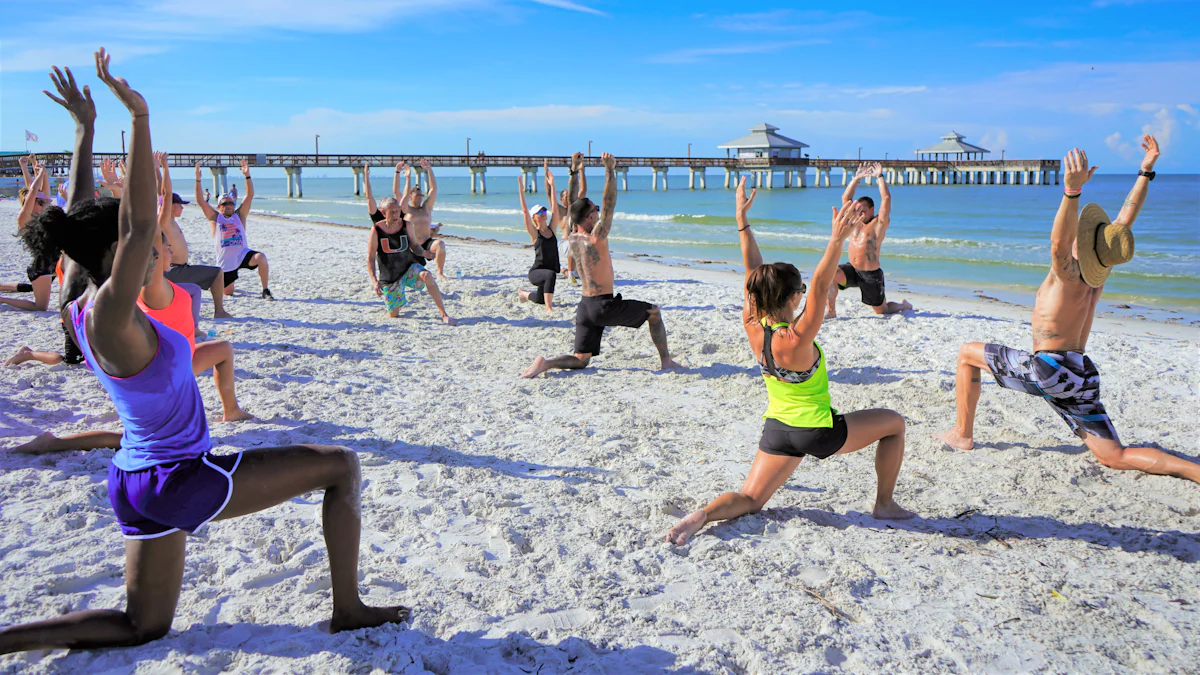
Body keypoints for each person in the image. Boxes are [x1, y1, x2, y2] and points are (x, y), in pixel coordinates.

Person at [0, 49, 406, 656]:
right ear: (117, 253)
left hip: (136, 477)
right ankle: (347, 609)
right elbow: (136, 225)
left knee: (143, 627)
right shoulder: (111, 310)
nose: (156, 242)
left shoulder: (79, 293)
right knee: (339, 466)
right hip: (178, 475)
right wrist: (138, 118)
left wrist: (84, 131)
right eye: (143, 242)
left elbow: (89, 216)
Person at [666, 179, 915, 546]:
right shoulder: (797, 337)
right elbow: (820, 285)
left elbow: (757, 275)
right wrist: (835, 241)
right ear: (792, 298)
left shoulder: (753, 325)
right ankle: (884, 504)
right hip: (817, 431)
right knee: (894, 424)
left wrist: (741, 220)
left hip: (777, 430)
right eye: (799, 291)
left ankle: (704, 514)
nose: (803, 294)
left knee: (751, 499)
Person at [936, 140, 1200, 484]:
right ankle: (1193, 471)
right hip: (1082, 374)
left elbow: (1058, 243)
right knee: (1114, 456)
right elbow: (1124, 220)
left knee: (967, 354)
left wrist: (1072, 191)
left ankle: (962, 434)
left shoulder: (1069, 272)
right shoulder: (1099, 273)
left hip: (1048, 368)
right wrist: (1145, 171)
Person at [521, 153, 681, 378]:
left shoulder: (573, 235)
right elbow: (609, 203)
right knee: (653, 313)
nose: (598, 212)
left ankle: (545, 363)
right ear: (589, 218)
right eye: (594, 210)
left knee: (581, 359)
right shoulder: (597, 237)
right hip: (603, 306)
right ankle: (666, 361)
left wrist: (574, 172)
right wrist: (610, 171)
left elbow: (574, 202)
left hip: (585, 307)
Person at [364, 164, 454, 324]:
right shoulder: (376, 229)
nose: (396, 215)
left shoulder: (406, 224)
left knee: (427, 275)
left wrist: (424, 253)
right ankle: (394, 301)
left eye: (397, 211)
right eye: (392, 212)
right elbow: (370, 258)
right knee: (394, 314)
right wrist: (374, 281)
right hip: (390, 277)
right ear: (383, 213)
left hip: (408, 268)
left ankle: (444, 314)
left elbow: (415, 246)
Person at [148, 152, 231, 319]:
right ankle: (219, 311)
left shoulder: (170, 220)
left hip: (180, 269)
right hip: (174, 271)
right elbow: (164, 194)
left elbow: (161, 194)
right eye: (180, 205)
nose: (183, 208)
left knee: (214, 273)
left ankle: (218, 310)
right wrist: (164, 168)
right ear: (171, 206)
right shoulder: (164, 220)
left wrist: (157, 169)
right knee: (217, 273)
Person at [825, 162, 912, 318]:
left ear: (872, 209)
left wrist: (879, 177)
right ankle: (831, 311)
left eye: (863, 211)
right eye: (857, 210)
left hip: (871, 275)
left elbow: (886, 198)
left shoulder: (879, 224)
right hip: (852, 269)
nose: (859, 214)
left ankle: (903, 305)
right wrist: (857, 178)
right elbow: (846, 197)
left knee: (882, 311)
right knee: (830, 272)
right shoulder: (855, 221)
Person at [193, 159, 273, 300]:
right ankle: (223, 281)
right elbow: (200, 200)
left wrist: (247, 175)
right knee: (228, 292)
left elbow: (249, 196)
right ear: (219, 207)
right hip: (226, 262)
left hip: (243, 255)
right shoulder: (215, 218)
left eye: (231, 202)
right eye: (225, 203)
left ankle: (265, 290)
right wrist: (198, 180)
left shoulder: (239, 216)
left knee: (261, 258)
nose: (229, 205)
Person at [0, 172, 54, 312]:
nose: (45, 205)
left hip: (54, 264)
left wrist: (44, 174)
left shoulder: (43, 217)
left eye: (45, 202)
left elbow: (44, 193)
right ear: (30, 202)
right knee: (40, 307)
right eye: (40, 202)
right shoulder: (24, 220)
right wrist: (39, 174)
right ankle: (2, 299)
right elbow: (33, 191)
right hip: (42, 267)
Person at [394, 159, 448, 279]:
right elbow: (396, 192)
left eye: (421, 195)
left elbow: (433, 190)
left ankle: (440, 273)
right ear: (410, 196)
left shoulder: (426, 207)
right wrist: (397, 173)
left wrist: (429, 170)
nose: (420, 197)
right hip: (411, 246)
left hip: (426, 242)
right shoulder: (406, 209)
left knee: (440, 244)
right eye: (417, 195)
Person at [516, 171, 561, 312]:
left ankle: (523, 294)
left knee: (540, 300)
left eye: (544, 212)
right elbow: (524, 211)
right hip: (537, 273)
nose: (543, 214)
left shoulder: (552, 229)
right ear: (534, 217)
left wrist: (552, 186)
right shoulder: (535, 233)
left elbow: (555, 209)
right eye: (540, 213)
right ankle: (549, 308)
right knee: (550, 275)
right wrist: (521, 190)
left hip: (548, 271)